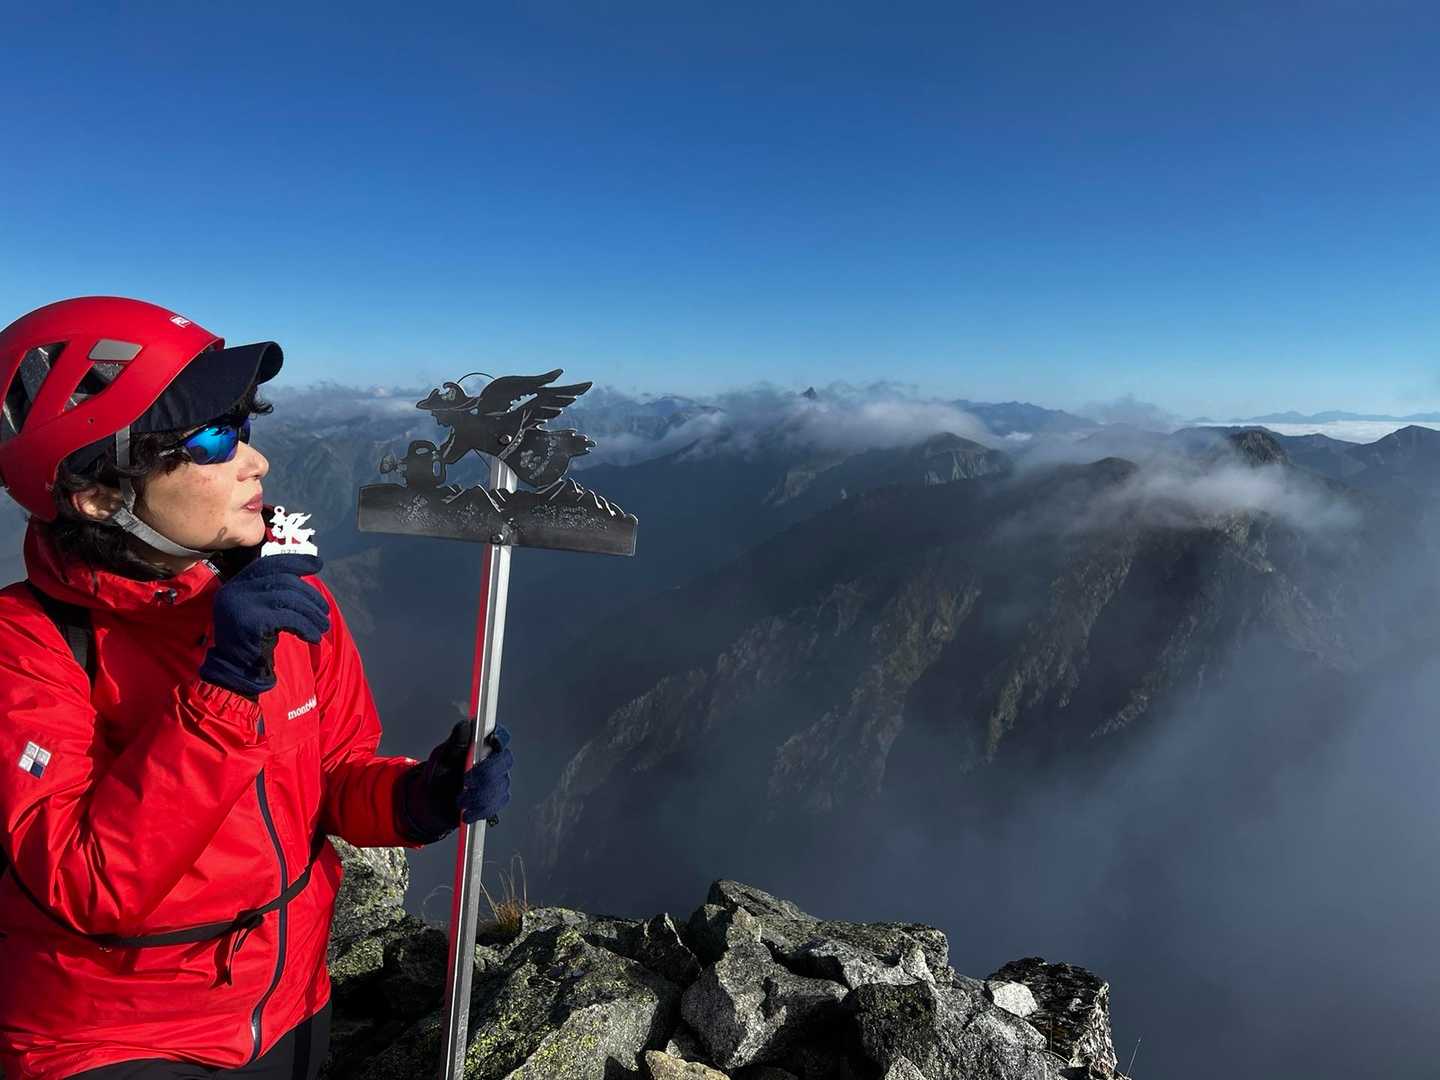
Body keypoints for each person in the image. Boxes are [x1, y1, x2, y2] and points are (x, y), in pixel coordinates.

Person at [0, 296, 516, 1079]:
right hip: (110, 1041)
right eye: (210, 439)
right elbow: (88, 883)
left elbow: (330, 778)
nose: (256, 461)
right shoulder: (27, 646)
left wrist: (419, 798)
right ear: (98, 495)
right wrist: (225, 686)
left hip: (289, 1007)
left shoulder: (275, 602)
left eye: (241, 425)